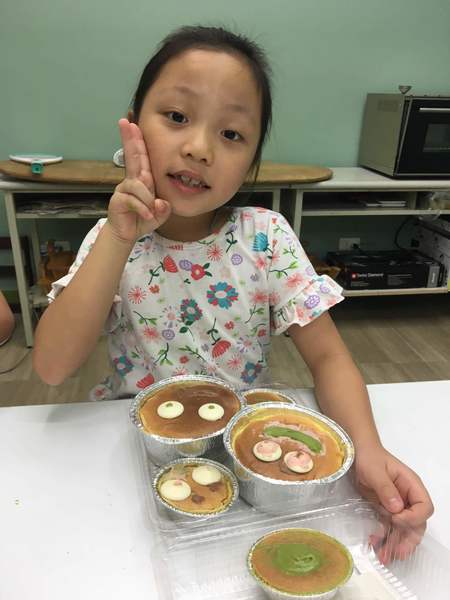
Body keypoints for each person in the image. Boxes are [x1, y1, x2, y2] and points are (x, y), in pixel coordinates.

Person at [32, 25, 432, 560]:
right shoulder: (110, 239)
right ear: (133, 128)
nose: (199, 148)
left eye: (231, 134)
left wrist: (369, 449)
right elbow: (53, 367)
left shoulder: (265, 238)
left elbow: (330, 358)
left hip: (244, 452)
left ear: (251, 160)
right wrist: (118, 238)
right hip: (136, 456)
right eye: (177, 116)